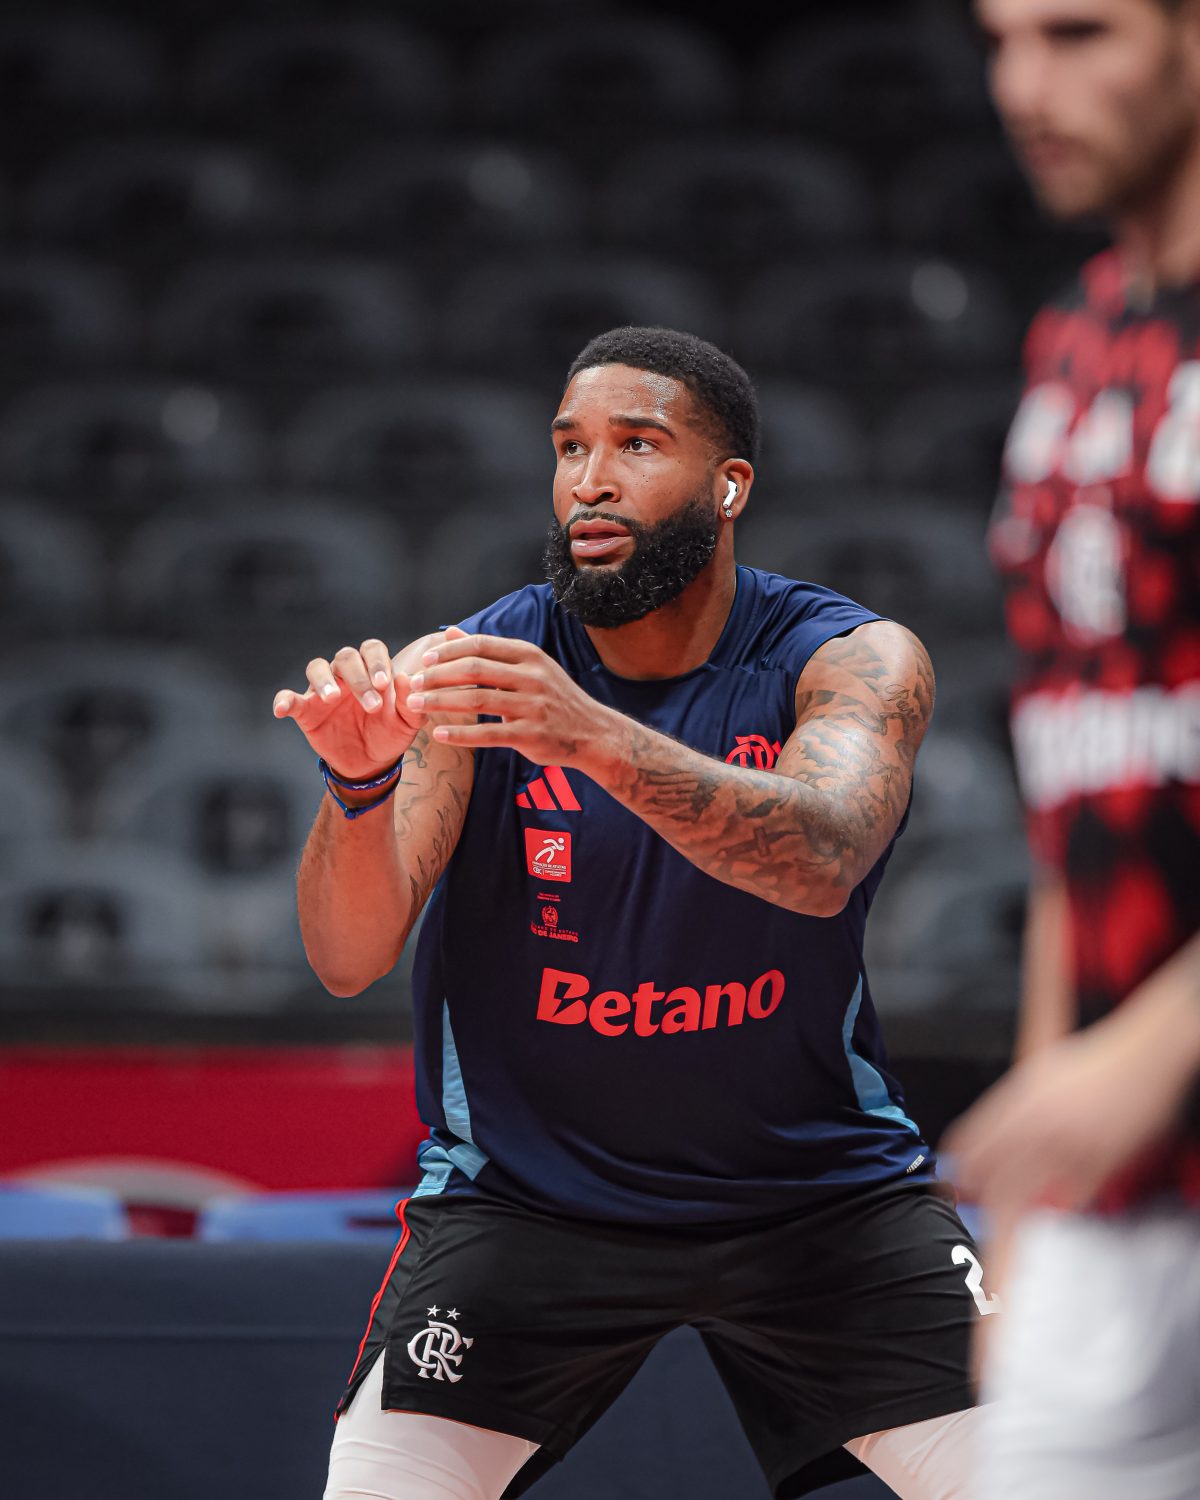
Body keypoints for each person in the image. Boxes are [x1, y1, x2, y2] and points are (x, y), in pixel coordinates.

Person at [275, 326, 993, 1500]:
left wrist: (588, 736)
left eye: (636, 444)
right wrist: (357, 786)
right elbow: (348, 958)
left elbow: (823, 858)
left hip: (822, 1202)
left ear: (729, 484)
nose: (590, 481)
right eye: (569, 447)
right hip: (528, 1207)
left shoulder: (847, 655)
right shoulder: (476, 671)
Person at [946, 3, 1200, 1496]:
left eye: (1080, 33)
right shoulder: (1075, 339)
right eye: (1002, 40)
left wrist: (1155, 1050)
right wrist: (1026, 1225)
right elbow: (1076, 801)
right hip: (1120, 1195)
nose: (1026, 88)